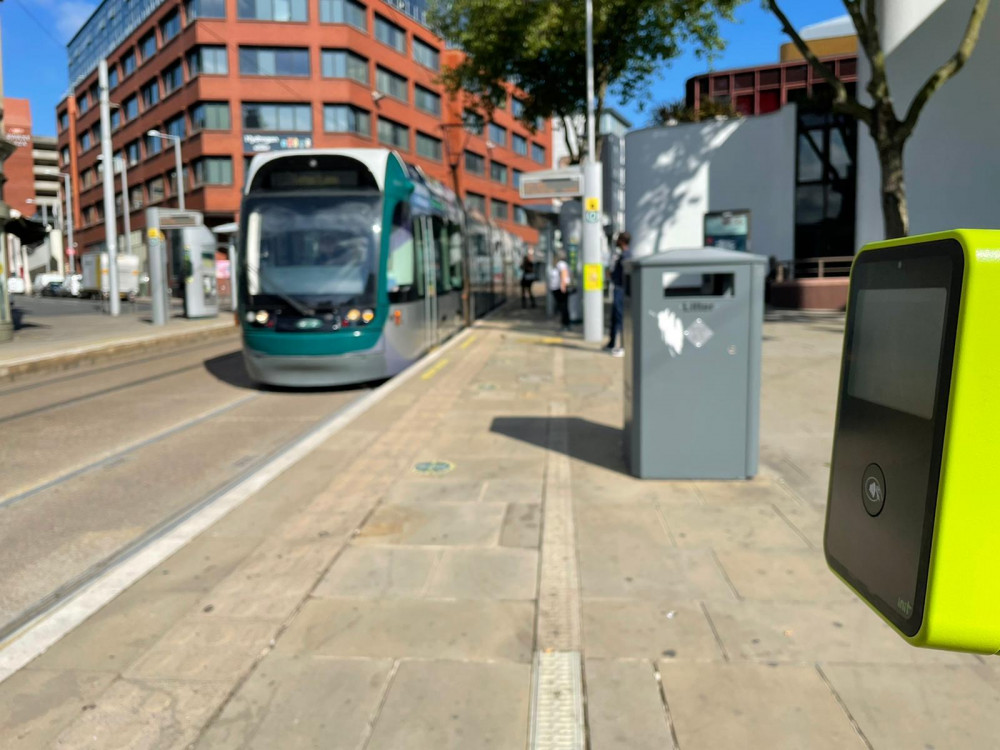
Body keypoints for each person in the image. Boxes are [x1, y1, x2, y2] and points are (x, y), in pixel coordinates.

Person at [605, 232, 631, 357]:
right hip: (618, 288)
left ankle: (623, 346)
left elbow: (625, 274)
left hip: (621, 289)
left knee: (620, 318)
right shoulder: (620, 255)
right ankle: (611, 343)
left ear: (622, 241)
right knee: (615, 317)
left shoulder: (626, 256)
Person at [549, 251, 571, 331]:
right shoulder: (562, 264)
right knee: (563, 307)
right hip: (559, 289)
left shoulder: (561, 264)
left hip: (560, 289)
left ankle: (565, 324)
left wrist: (563, 286)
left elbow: (563, 274)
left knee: (563, 307)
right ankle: (565, 324)